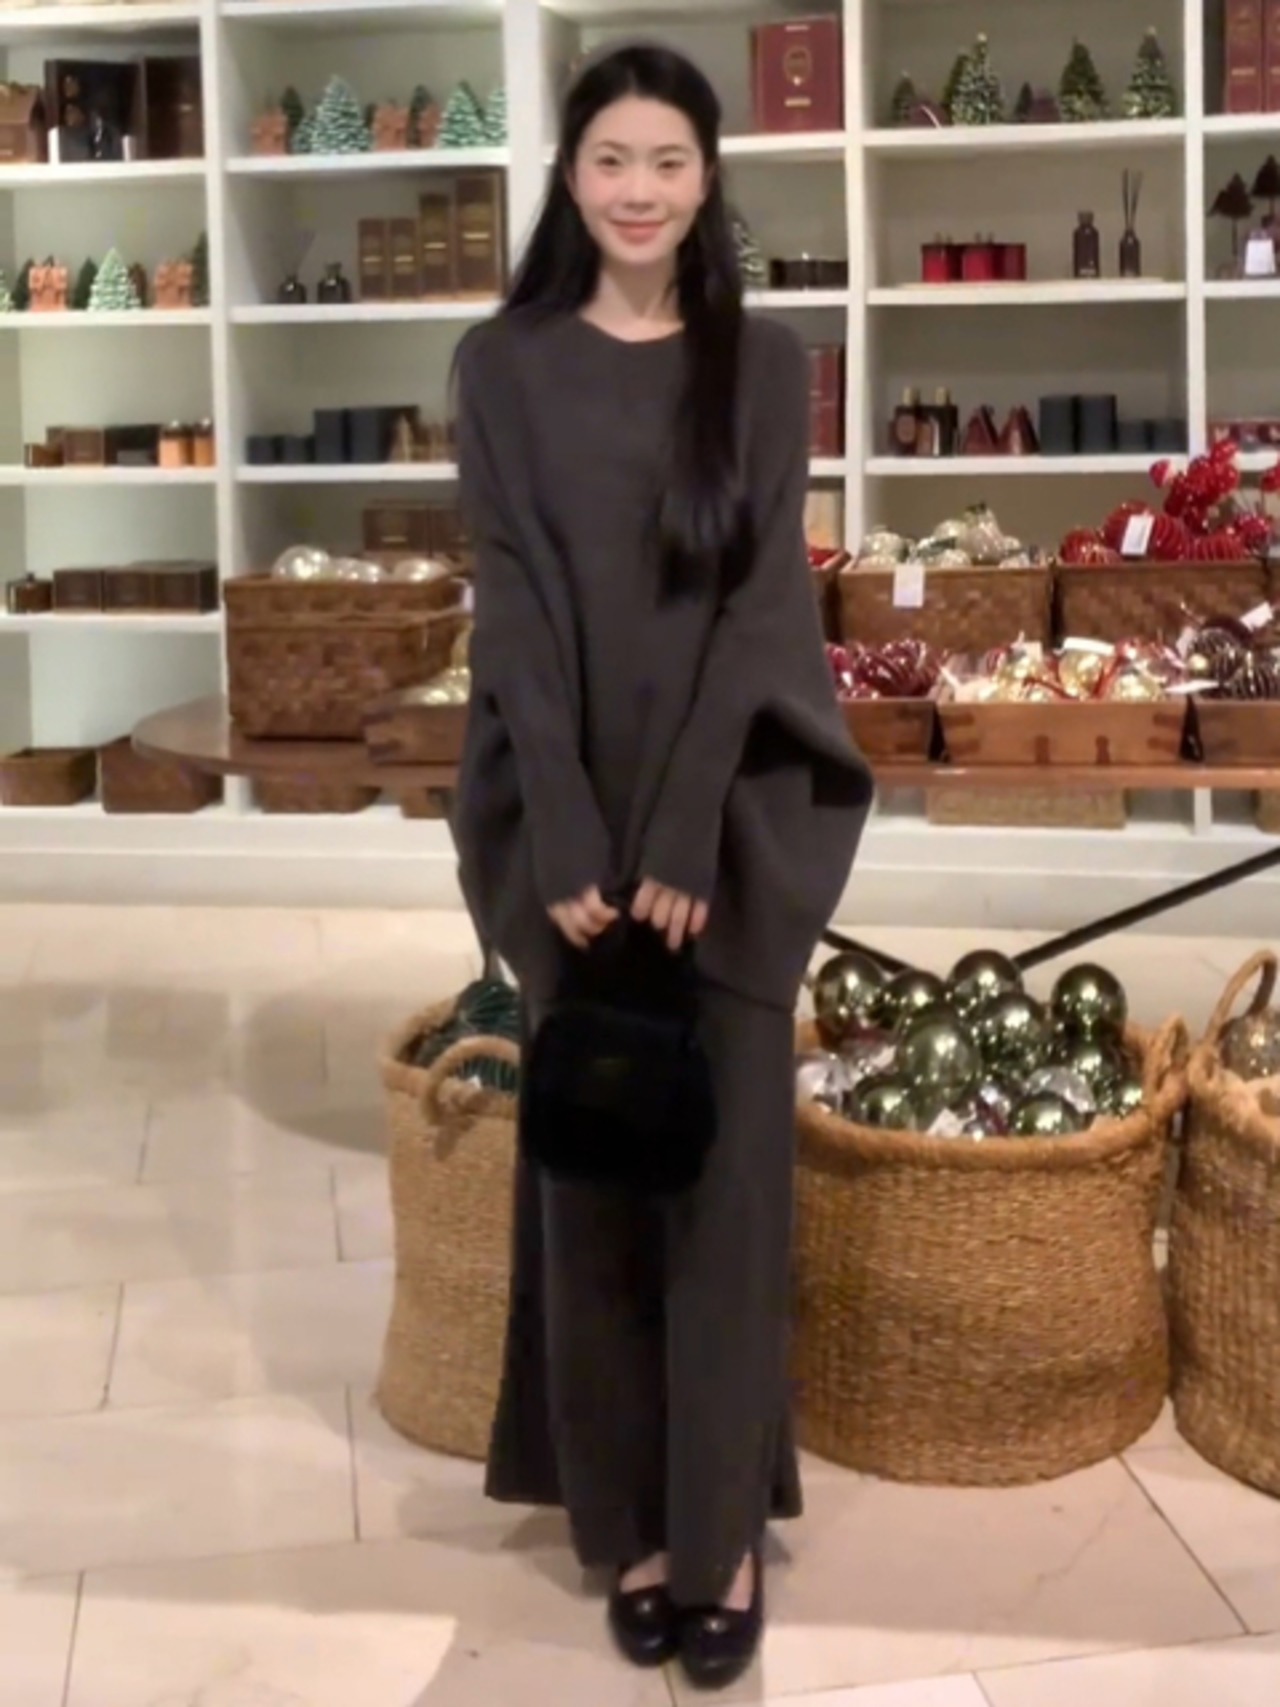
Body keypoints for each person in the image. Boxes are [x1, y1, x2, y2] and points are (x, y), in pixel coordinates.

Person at [450, 40, 873, 1690]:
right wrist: (563, 819)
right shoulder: (502, 364)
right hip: (565, 826)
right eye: (612, 160)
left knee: (727, 1194)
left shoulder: (761, 364)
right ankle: (627, 1526)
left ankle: (718, 1546)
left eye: (670, 161)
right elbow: (511, 601)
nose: (640, 190)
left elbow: (765, 605)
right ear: (571, 176)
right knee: (595, 1180)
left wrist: (690, 819)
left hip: (729, 822)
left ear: (709, 181)